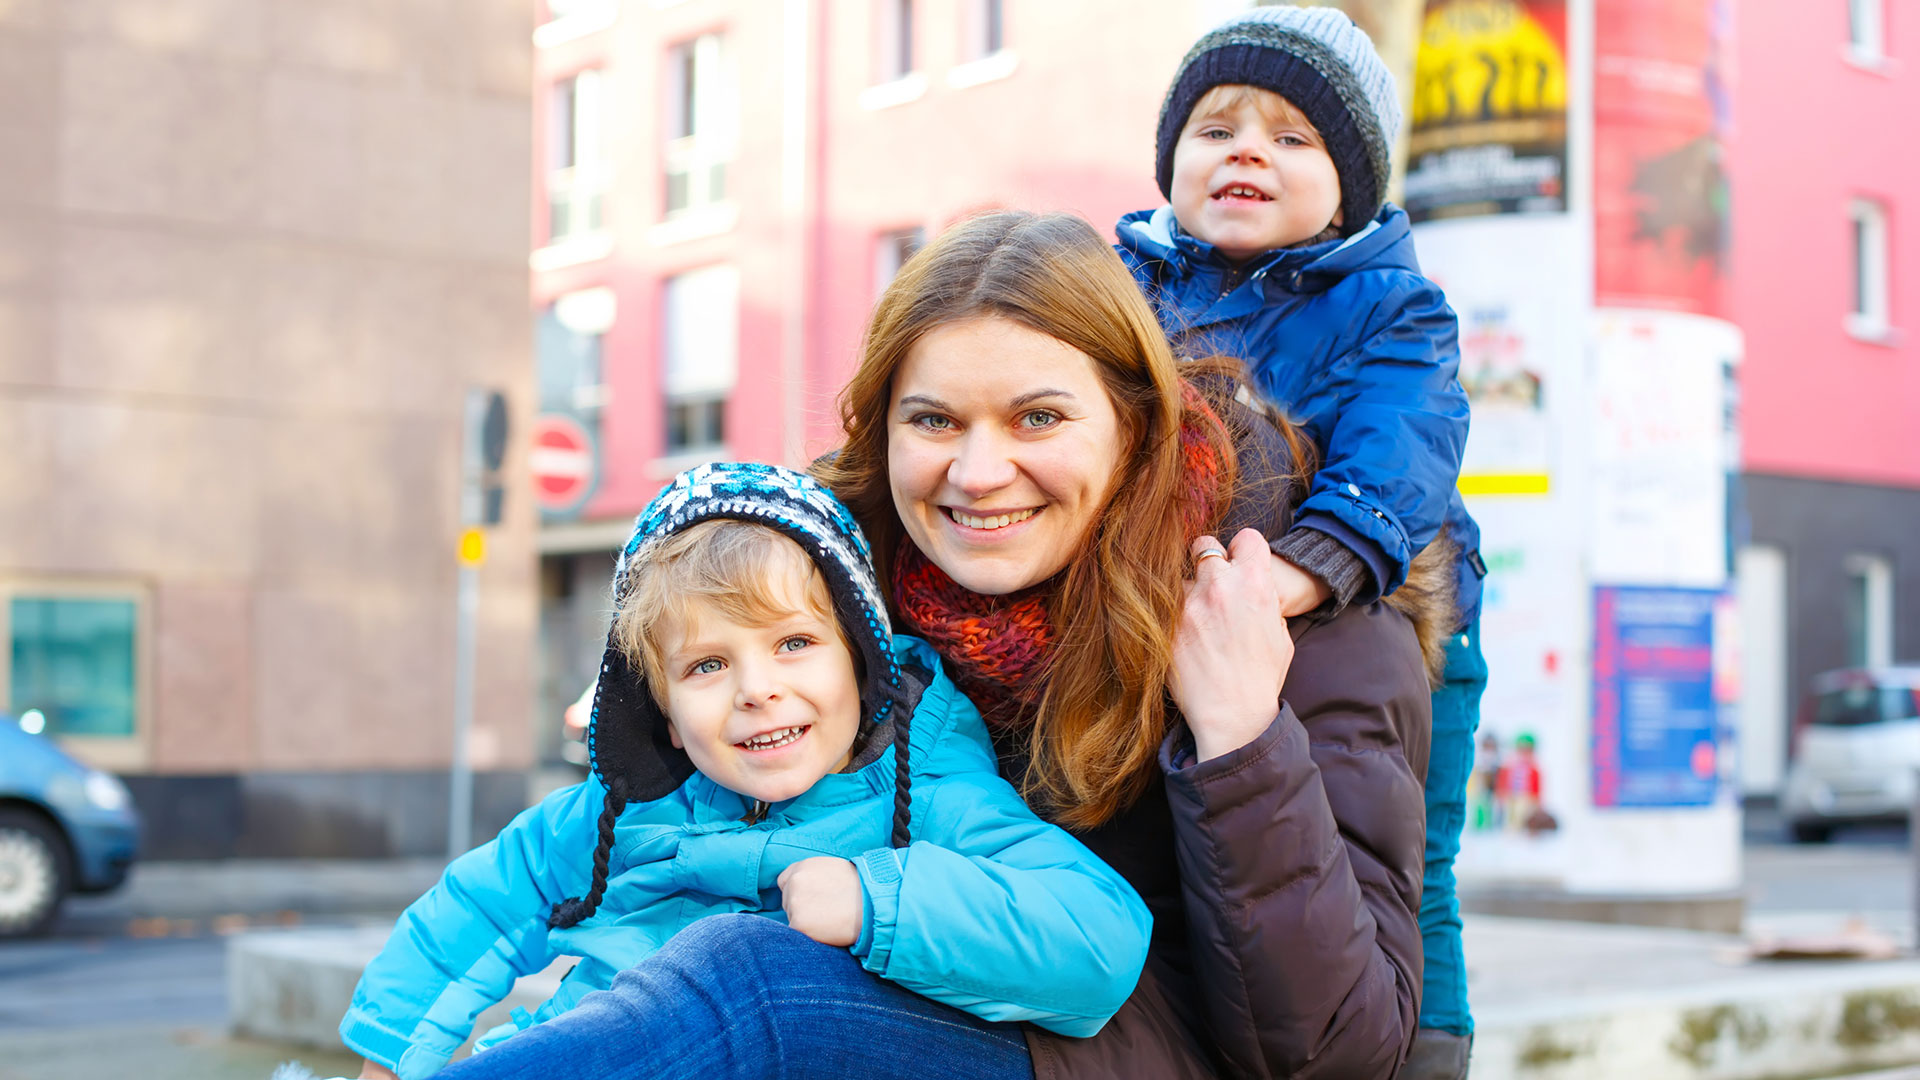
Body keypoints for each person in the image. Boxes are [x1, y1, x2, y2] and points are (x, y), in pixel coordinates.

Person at [434, 210, 1448, 1080]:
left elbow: (1342, 1053)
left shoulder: (1288, 610)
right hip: (913, 977)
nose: (977, 471)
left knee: (754, 989)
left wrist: (1241, 741)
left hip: (1126, 1043)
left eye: (1037, 417)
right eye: (934, 420)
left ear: (1134, 425)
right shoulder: (837, 591)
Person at [336, 463, 1151, 1079]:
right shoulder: (621, 815)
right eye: (707, 666)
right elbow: (477, 907)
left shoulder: (925, 790)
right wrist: (390, 1054)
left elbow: (1098, 938)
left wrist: (879, 901)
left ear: (859, 657)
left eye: (794, 644)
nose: (758, 690)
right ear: (661, 708)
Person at [1114, 8, 1488, 1076]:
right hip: (1196, 615)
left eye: (1291, 138)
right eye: (1216, 129)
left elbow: (1402, 455)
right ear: (1171, 163)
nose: (1246, 151)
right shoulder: (1124, 289)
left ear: (1349, 186)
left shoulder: (1391, 308)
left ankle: (1427, 1045)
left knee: (1406, 852)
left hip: (1394, 620)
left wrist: (1303, 569)